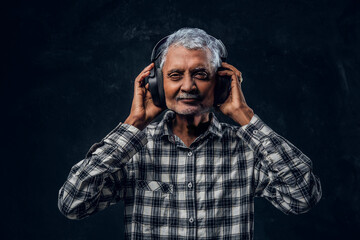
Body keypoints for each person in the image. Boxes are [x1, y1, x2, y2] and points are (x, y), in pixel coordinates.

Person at [58, 28, 322, 239]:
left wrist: (244, 115)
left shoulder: (246, 148)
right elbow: (73, 203)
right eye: (175, 75)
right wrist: (133, 124)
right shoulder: (133, 151)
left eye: (200, 74)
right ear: (158, 84)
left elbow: (302, 197)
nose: (188, 86)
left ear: (220, 82)